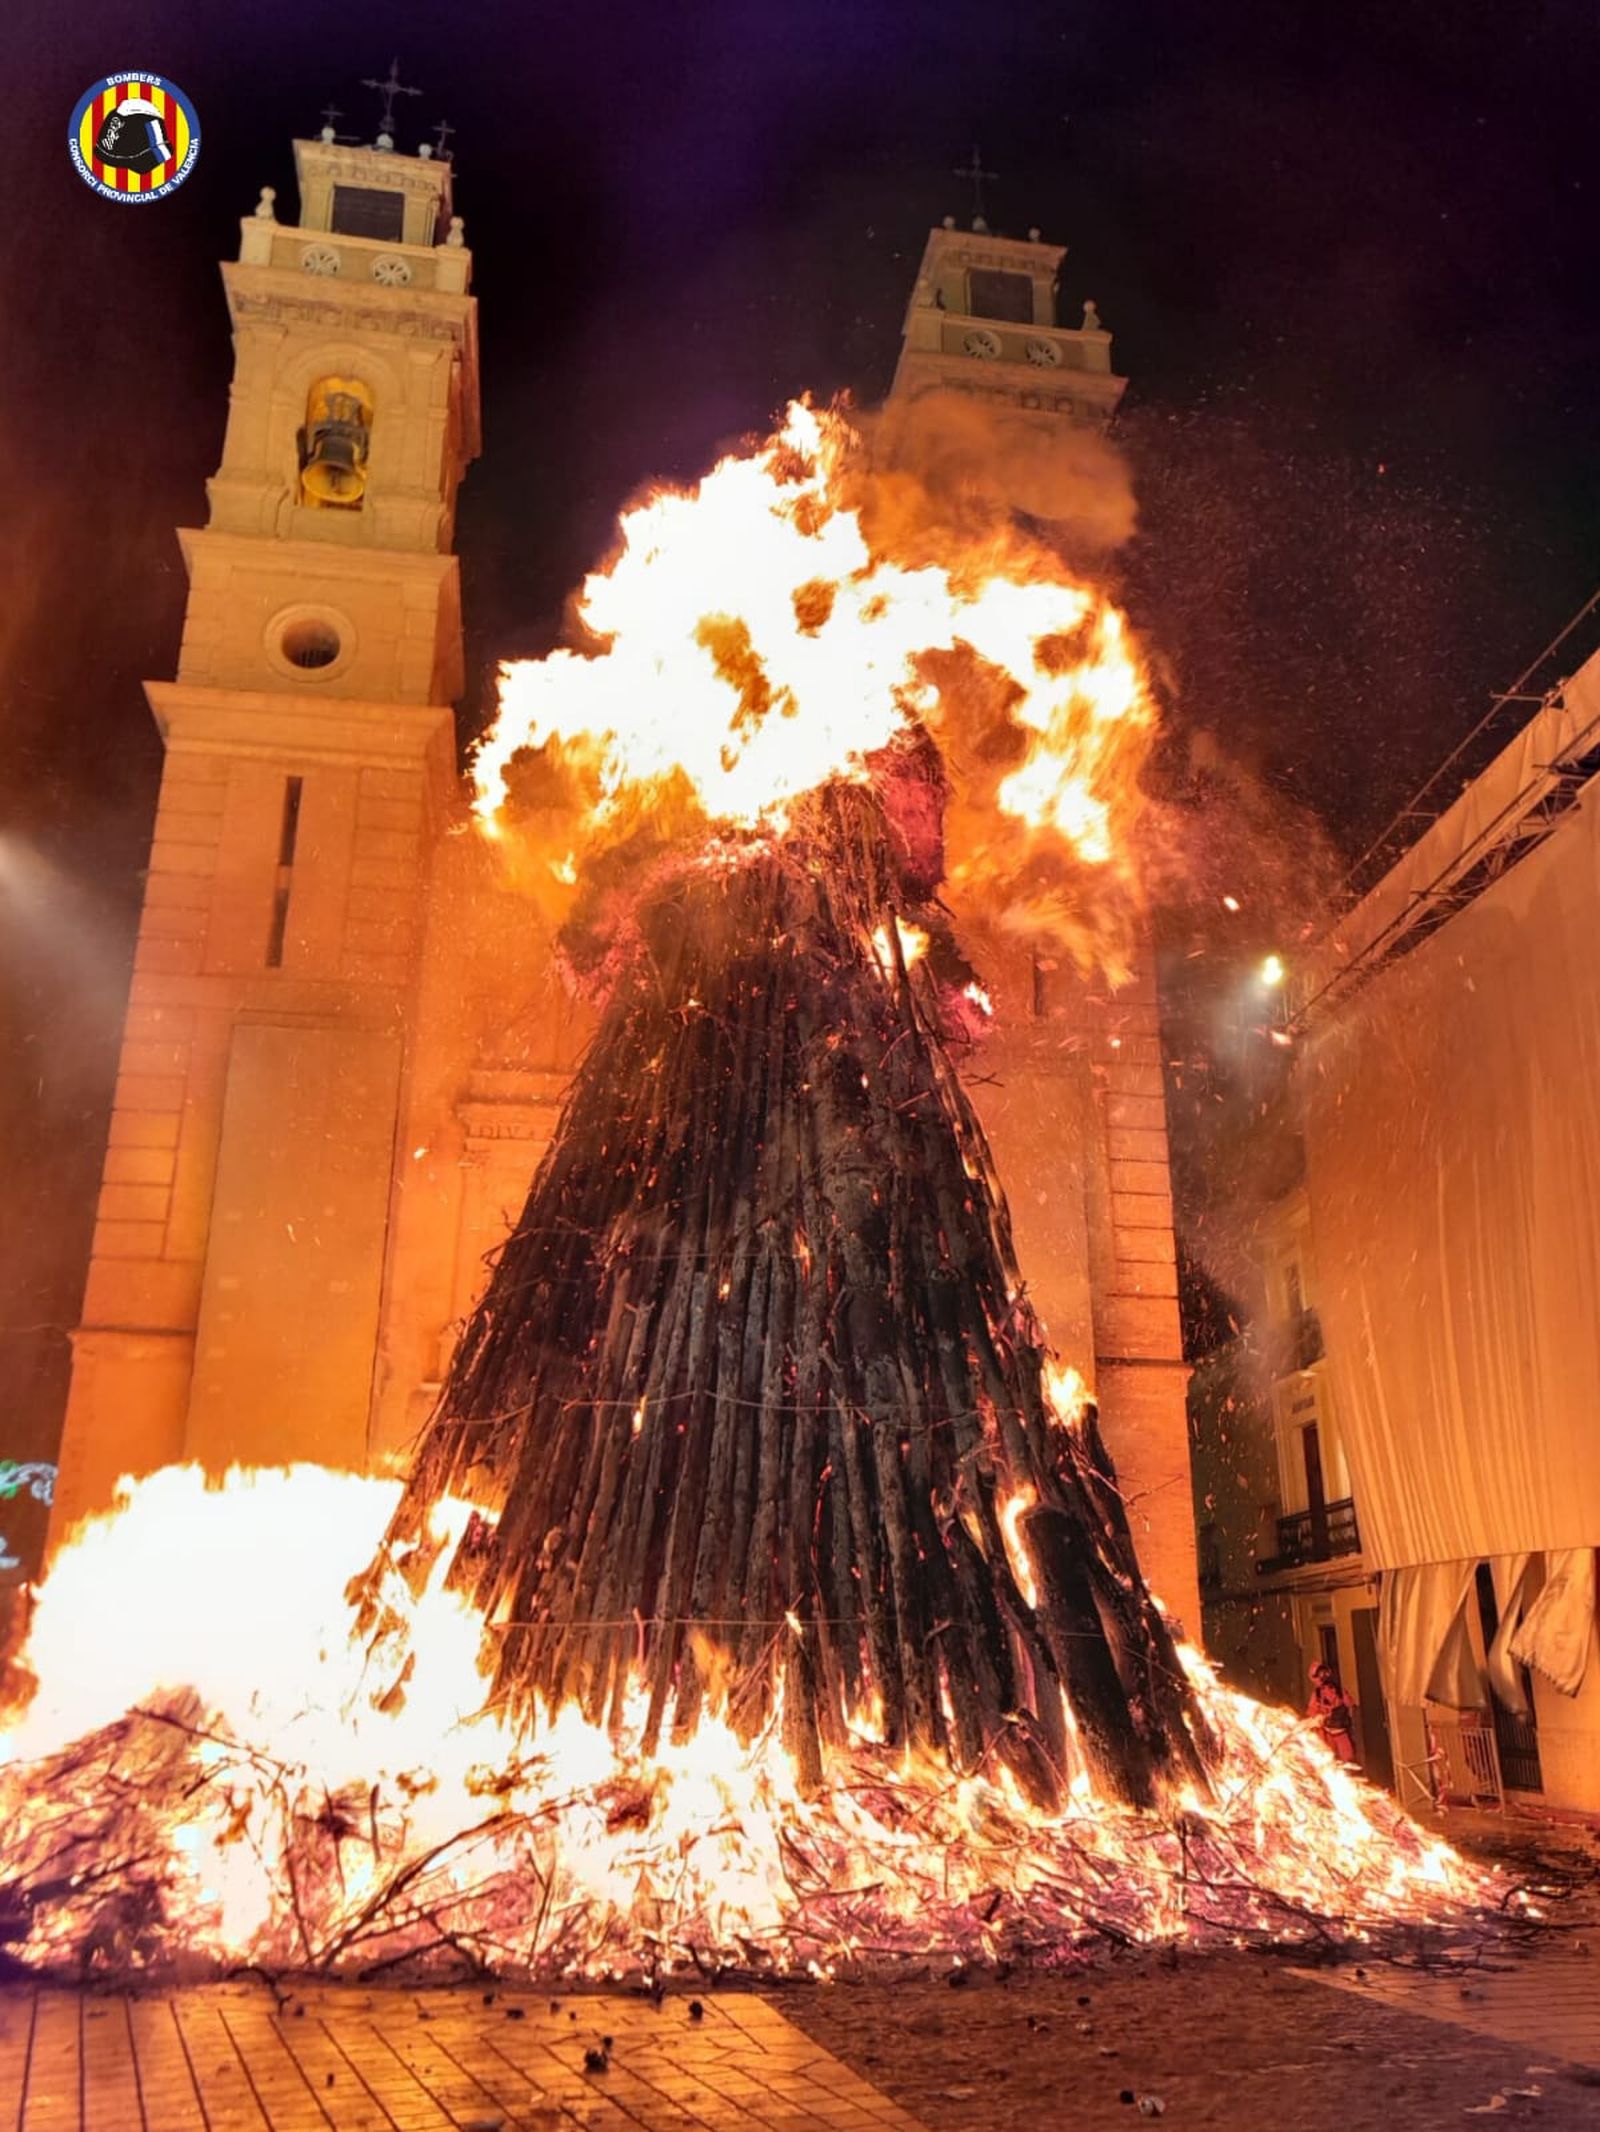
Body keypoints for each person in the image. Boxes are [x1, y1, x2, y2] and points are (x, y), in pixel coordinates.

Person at [1307, 1660, 1360, 1764]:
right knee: (1328, 1760)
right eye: (1320, 1673)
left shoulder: (1339, 1690)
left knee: (1349, 1760)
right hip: (1327, 1734)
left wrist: (1345, 1713)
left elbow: (1351, 1705)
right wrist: (1320, 1719)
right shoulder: (1316, 1695)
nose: (1323, 1675)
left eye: (1324, 1672)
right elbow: (1312, 1714)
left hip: (1342, 1733)